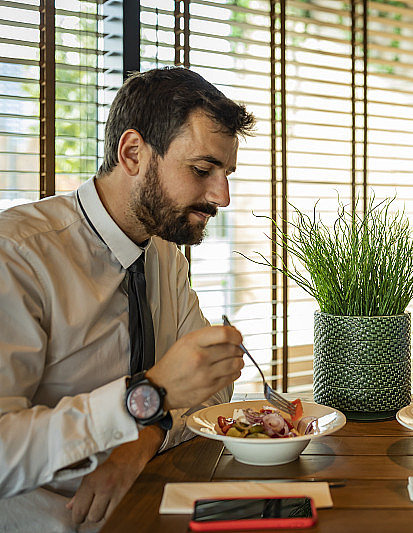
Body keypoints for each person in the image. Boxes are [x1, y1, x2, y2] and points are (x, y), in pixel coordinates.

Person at [0, 67, 256, 532]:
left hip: (154, 510)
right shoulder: (17, 255)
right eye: (202, 170)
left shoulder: (164, 257)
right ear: (133, 153)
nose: (222, 195)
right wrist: (147, 396)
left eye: (226, 173)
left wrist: (142, 435)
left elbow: (212, 388)